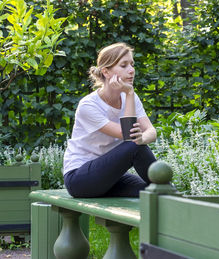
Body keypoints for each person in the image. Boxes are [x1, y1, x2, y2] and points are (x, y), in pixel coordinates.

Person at [62, 42, 157, 198]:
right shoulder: (88, 105)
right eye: (124, 65)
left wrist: (142, 138)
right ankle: (171, 193)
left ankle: (171, 196)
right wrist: (129, 94)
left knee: (152, 191)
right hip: (79, 179)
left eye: (132, 64)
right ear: (106, 72)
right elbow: (128, 135)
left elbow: (151, 132)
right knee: (134, 146)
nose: (131, 70)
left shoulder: (130, 97)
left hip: (109, 177)